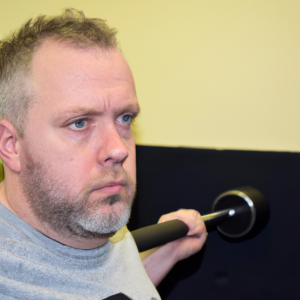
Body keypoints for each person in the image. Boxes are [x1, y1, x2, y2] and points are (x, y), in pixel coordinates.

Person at [0, 9, 207, 299]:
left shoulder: (85, 223)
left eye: (124, 118)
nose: (118, 150)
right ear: (11, 144)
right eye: (80, 123)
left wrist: (160, 255)